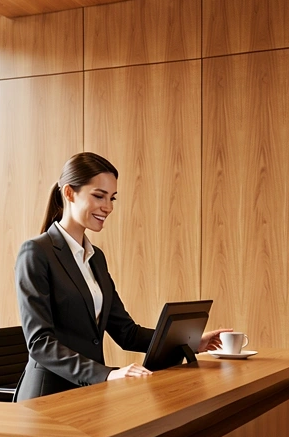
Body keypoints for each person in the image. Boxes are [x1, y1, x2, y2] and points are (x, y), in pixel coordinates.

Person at [14, 152, 226, 400]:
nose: (108, 207)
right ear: (69, 193)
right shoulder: (36, 252)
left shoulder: (95, 258)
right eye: (99, 196)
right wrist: (106, 374)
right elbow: (40, 343)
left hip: (88, 394)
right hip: (48, 397)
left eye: (112, 198)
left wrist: (189, 342)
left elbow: (127, 332)